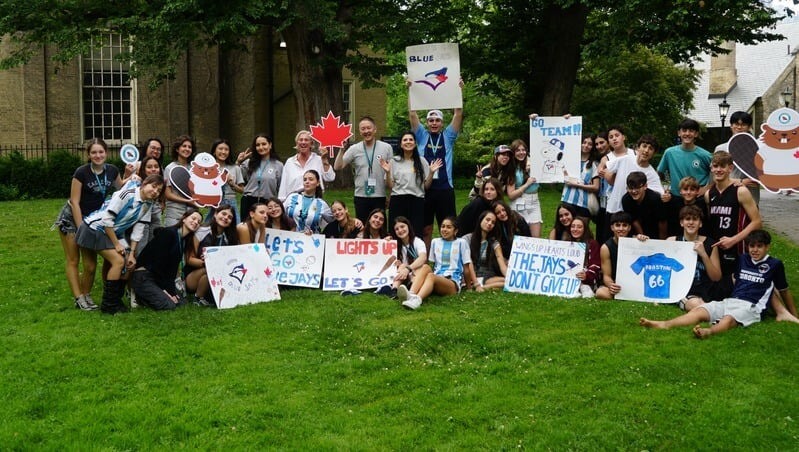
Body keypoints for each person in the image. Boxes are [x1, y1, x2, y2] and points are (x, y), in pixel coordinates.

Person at [640, 230, 799, 338]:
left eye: (759, 246)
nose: (755, 250)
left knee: (729, 319)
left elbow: (783, 290)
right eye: (752, 246)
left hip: (752, 306)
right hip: (731, 300)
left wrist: (792, 314)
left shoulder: (775, 264)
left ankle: (708, 332)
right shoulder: (743, 259)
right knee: (700, 311)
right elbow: (736, 280)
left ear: (767, 247)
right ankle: (664, 324)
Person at [75, 174, 164, 314]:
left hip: (113, 233)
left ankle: (116, 300)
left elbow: (139, 229)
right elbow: (107, 220)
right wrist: (117, 244)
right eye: (153, 187)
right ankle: (108, 305)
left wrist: (132, 253)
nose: (155, 192)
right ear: (144, 183)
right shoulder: (126, 195)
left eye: (158, 190)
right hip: (94, 229)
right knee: (117, 261)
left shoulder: (148, 204)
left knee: (129, 263)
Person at [53, 138, 125, 310]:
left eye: (101, 152)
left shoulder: (112, 171)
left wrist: (130, 173)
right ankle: (79, 298)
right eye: (94, 152)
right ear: (88, 154)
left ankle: (86, 295)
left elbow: (122, 190)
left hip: (92, 221)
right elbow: (74, 202)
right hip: (72, 220)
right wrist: (81, 229)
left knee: (90, 265)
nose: (98, 155)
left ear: (106, 153)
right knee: (73, 260)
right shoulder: (81, 172)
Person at [409, 89, 463, 249]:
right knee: (425, 228)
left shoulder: (448, 136)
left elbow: (458, 113)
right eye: (431, 120)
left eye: (437, 120)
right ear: (427, 122)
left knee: (448, 227)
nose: (434, 123)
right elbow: (412, 114)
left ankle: (448, 258)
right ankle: (424, 258)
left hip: (445, 189)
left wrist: (458, 89)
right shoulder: (421, 136)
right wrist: (410, 89)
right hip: (425, 189)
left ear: (442, 123)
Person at [705, 151, 762, 300]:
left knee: (746, 284)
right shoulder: (709, 194)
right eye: (715, 166)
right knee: (720, 287)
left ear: (730, 168)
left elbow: (757, 222)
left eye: (722, 166)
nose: (718, 170)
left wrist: (733, 240)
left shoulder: (740, 191)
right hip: (717, 247)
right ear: (711, 168)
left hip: (737, 246)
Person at [396, 217, 477, 310]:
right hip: (437, 278)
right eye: (443, 226)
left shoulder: (461, 243)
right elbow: (434, 265)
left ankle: (417, 300)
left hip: (452, 282)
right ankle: (411, 294)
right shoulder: (435, 242)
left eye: (449, 227)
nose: (444, 229)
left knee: (431, 276)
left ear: (455, 231)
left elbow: (466, 267)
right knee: (426, 267)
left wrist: (469, 288)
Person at [130, 209, 203, 310]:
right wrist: (165, 290)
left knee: (181, 303)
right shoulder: (168, 233)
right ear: (184, 219)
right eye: (193, 218)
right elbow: (157, 265)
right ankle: (138, 294)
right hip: (145, 275)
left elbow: (171, 271)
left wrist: (171, 291)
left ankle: (154, 294)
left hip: (159, 277)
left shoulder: (183, 240)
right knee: (168, 305)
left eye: (199, 222)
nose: (195, 222)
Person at [333, 116, 393, 224]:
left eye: (369, 128)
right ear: (360, 131)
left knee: (379, 226)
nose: (366, 131)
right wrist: (341, 150)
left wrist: (390, 194)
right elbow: (337, 166)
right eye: (363, 129)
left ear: (375, 129)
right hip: (361, 196)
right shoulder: (354, 149)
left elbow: (391, 173)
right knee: (362, 226)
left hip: (379, 195)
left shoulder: (386, 147)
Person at [380, 131, 438, 238]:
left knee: (416, 232)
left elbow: (426, 186)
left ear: (415, 144)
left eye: (411, 140)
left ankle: (414, 249)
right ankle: (398, 249)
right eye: (405, 140)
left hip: (417, 201)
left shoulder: (422, 161)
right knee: (396, 231)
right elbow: (390, 186)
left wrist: (431, 173)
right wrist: (387, 173)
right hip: (398, 200)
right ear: (401, 144)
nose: (408, 142)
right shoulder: (394, 161)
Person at [667, 205, 721, 311]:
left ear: (700, 223)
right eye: (687, 219)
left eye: (695, 219)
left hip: (704, 290)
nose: (691, 222)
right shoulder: (672, 241)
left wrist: (704, 254)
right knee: (697, 305)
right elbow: (657, 263)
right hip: (681, 290)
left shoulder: (710, 244)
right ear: (681, 223)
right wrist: (642, 240)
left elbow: (716, 277)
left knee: (702, 304)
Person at [184, 205, 239, 307]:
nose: (226, 218)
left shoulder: (228, 237)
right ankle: (199, 297)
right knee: (212, 268)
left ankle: (202, 297)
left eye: (230, 217)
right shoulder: (202, 231)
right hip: (193, 276)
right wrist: (206, 262)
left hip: (215, 276)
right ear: (215, 214)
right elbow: (189, 259)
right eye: (223, 214)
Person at [604, 134, 663, 222]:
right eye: (644, 146)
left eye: (650, 148)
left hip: (631, 215)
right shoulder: (625, 159)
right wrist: (612, 180)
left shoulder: (652, 174)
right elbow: (607, 168)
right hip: (613, 209)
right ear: (638, 148)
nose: (646, 150)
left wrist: (666, 196)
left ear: (653, 153)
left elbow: (660, 193)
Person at [375, 216, 431, 298]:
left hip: (418, 273)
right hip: (405, 275)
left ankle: (411, 288)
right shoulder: (396, 244)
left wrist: (408, 269)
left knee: (417, 267)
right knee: (402, 265)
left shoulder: (417, 241)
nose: (400, 230)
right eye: (397, 229)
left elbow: (423, 258)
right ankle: (394, 290)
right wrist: (386, 242)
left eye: (402, 226)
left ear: (408, 226)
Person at [596, 126, 635, 243]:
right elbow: (606, 176)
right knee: (611, 238)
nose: (614, 139)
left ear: (624, 137)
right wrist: (606, 173)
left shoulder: (635, 153)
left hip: (633, 200)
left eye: (617, 135)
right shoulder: (606, 158)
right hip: (613, 203)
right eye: (611, 137)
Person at [657, 118, 713, 197]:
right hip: (676, 197)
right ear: (679, 133)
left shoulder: (705, 155)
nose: (687, 133)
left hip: (697, 198)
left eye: (691, 131)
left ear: (696, 134)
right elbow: (659, 174)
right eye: (684, 130)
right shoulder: (669, 153)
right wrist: (662, 190)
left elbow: (716, 172)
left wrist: (707, 187)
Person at [714, 111, 760, 204]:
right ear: (731, 126)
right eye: (736, 124)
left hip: (750, 197)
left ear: (749, 127)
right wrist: (741, 181)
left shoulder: (758, 148)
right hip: (726, 195)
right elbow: (715, 176)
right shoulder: (721, 148)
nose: (739, 127)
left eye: (743, 125)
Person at [277, 130, 335, 202]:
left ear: (311, 143)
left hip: (314, 199)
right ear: (297, 143)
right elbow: (283, 185)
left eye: (306, 140)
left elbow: (330, 177)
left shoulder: (318, 160)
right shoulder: (290, 162)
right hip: (294, 201)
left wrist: (324, 159)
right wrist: (282, 201)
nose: (303, 142)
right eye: (300, 140)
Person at [237, 134, 284, 222]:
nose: (261, 147)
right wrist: (238, 162)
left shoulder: (278, 165)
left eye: (264, 144)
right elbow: (236, 178)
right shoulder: (248, 163)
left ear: (270, 145)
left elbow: (281, 187)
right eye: (258, 145)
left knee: (265, 228)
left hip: (267, 202)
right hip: (249, 200)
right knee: (247, 228)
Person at [506, 139, 542, 237]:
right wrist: (527, 184)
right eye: (518, 150)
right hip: (519, 202)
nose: (521, 153)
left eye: (523, 150)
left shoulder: (534, 164)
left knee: (536, 239)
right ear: (513, 153)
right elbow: (511, 195)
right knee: (521, 238)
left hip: (535, 202)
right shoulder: (512, 169)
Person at [462, 211, 507, 290]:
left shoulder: (494, 242)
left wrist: (510, 278)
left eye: (493, 222)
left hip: (487, 276)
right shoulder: (467, 239)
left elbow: (502, 264)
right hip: (470, 277)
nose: (490, 223)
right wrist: (476, 283)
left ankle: (484, 287)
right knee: (503, 283)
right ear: (481, 220)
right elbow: (468, 263)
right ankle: (479, 286)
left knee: (507, 281)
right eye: (487, 220)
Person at [595, 212, 634, 300]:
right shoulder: (605, 247)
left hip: (633, 283)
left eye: (624, 225)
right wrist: (611, 285)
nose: (621, 229)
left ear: (629, 228)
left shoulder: (635, 242)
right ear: (612, 227)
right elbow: (606, 275)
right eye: (617, 225)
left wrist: (643, 240)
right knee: (600, 293)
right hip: (616, 283)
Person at [561, 134, 601, 218]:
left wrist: (576, 185)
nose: (586, 145)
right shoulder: (570, 160)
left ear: (593, 147)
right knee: (565, 225)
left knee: (581, 226)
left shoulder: (594, 164)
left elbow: (596, 187)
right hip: (567, 200)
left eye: (590, 144)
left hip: (584, 204)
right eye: (584, 142)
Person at [205, 139, 244, 224]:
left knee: (234, 228)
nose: (223, 152)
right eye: (220, 149)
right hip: (215, 204)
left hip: (231, 203)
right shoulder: (208, 168)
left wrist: (232, 184)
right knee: (210, 228)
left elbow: (242, 190)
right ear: (214, 151)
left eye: (226, 149)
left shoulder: (235, 168)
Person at [283, 169, 333, 234]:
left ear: (318, 183)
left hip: (312, 238)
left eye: (311, 179)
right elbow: (280, 214)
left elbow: (334, 221)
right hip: (290, 238)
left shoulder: (321, 204)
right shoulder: (292, 197)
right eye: (305, 180)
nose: (307, 182)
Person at [621, 171, 667, 239]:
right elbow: (634, 220)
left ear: (645, 186)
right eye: (631, 188)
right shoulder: (626, 199)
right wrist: (642, 237)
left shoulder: (655, 199)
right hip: (637, 231)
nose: (634, 191)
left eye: (637, 188)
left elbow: (662, 221)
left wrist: (662, 241)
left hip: (655, 228)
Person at [163, 135, 197, 226]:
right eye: (184, 146)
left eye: (190, 147)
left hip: (192, 213)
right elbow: (168, 194)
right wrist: (187, 201)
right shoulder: (170, 168)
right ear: (177, 149)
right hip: (174, 213)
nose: (187, 149)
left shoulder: (194, 169)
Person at [567, 216, 601, 298]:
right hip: (569, 275)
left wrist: (586, 275)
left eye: (579, 227)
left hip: (586, 277)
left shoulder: (592, 244)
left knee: (586, 290)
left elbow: (596, 265)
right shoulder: (566, 243)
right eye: (573, 226)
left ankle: (584, 287)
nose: (575, 229)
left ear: (585, 229)